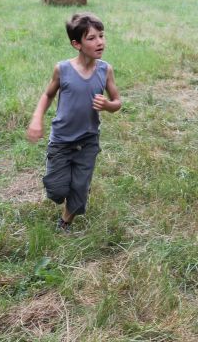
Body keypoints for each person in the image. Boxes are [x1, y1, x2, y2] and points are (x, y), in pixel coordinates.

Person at [26, 13, 121, 233]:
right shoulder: (63, 69)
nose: (100, 42)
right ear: (76, 44)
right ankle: (63, 184)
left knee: (79, 191)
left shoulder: (105, 70)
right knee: (57, 191)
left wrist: (108, 105)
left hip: (88, 140)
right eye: (92, 38)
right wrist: (36, 119)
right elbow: (48, 95)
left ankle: (65, 222)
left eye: (101, 36)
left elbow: (117, 101)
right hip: (61, 140)